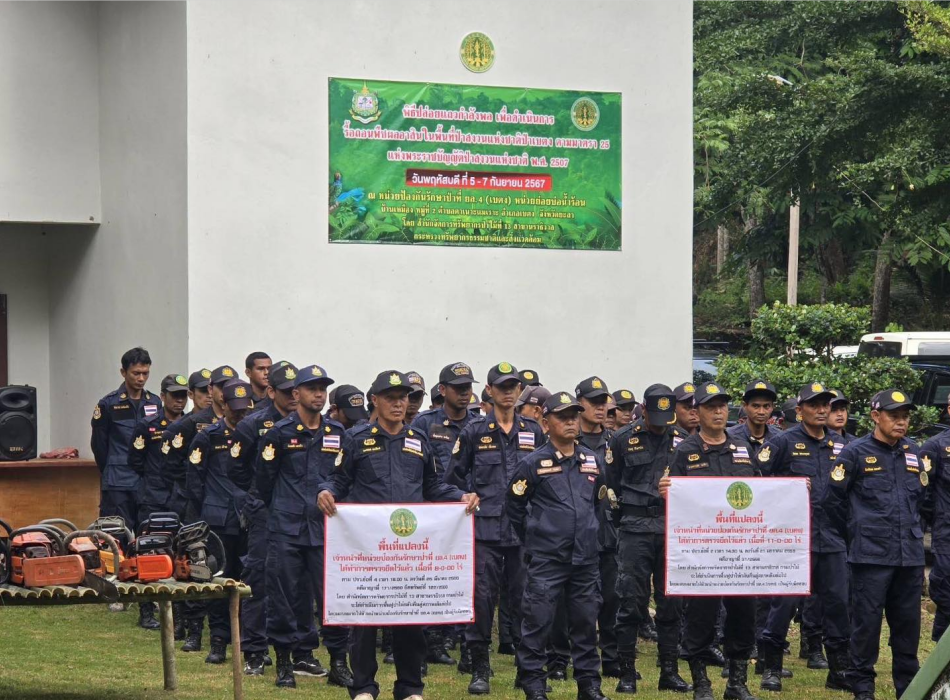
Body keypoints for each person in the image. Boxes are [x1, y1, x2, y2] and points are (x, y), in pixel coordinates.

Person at [317, 370, 478, 700]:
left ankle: (410, 687)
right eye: (390, 398)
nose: (398, 404)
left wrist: (460, 496)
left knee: (410, 617)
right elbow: (338, 480)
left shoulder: (419, 441)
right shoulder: (357, 439)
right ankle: (363, 687)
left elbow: (433, 486)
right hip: (368, 547)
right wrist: (325, 492)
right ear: (375, 400)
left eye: (402, 398)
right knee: (364, 620)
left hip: (408, 549)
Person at [446, 362, 545, 695]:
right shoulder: (474, 431)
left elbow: (546, 475)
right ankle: (479, 668)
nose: (508, 392)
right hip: (485, 530)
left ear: (519, 390)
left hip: (523, 530)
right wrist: (464, 494)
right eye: (501, 387)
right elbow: (452, 478)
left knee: (525, 599)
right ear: (488, 391)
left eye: (513, 386)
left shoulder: (534, 430)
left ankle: (526, 669)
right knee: (482, 599)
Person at [823, 389, 927, 700]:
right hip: (870, 557)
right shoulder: (854, 453)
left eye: (905, 416)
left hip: (909, 556)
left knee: (907, 627)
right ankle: (862, 687)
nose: (901, 421)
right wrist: (856, 536)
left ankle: (908, 688)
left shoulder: (913, 452)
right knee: (866, 626)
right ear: (875, 416)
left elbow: (923, 500)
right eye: (894, 416)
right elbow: (832, 503)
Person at [507, 391, 610, 700]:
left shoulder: (592, 460)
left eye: (574, 416)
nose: (570, 422)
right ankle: (534, 685)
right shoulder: (532, 463)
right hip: (547, 558)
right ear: (546, 422)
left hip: (585, 559)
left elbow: (599, 503)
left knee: (585, 623)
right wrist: (537, 536)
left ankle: (589, 686)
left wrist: (590, 534)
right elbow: (514, 507)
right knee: (537, 622)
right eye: (562, 416)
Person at [659, 382, 758, 700]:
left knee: (743, 615)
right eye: (711, 407)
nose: (718, 412)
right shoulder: (685, 452)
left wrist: (793, 491)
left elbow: (760, 491)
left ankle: (737, 683)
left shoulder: (742, 448)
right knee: (700, 617)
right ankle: (701, 683)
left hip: (740, 550)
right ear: (697, 412)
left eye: (722, 406)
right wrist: (666, 492)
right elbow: (674, 500)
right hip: (702, 551)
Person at [257, 364, 353, 688]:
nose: (319, 395)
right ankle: (285, 663)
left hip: (325, 530)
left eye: (323, 389)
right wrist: (284, 508)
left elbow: (343, 477)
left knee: (332, 597)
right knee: (283, 597)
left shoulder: (337, 433)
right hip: (286, 527)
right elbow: (264, 481)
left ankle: (338, 663)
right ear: (296, 394)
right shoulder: (279, 433)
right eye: (312, 389)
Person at [755, 383, 850, 692]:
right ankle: (771, 667)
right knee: (784, 604)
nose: (822, 410)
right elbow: (756, 480)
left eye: (826, 405)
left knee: (837, 605)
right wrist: (787, 487)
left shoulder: (841, 445)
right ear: (799, 410)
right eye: (814, 405)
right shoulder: (782, 442)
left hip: (832, 538)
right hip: (794, 540)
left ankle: (838, 670)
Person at [609, 384, 690, 694]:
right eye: (655, 417)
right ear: (643, 409)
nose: (660, 424)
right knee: (631, 601)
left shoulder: (682, 440)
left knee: (671, 603)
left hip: (671, 528)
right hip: (635, 528)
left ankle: (669, 671)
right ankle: (627, 673)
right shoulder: (622, 439)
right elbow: (611, 486)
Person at [227, 361, 298, 676]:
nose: (293, 396)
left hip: (297, 515)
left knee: (297, 582)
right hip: (265, 513)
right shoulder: (253, 424)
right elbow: (236, 469)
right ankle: (255, 650)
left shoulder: (306, 425)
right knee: (258, 578)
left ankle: (301, 652)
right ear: (271, 391)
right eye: (286, 391)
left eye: (296, 390)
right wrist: (259, 494)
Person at [411, 362, 480, 669]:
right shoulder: (425, 424)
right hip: (434, 511)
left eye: (468, 387)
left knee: (463, 578)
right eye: (458, 388)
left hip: (467, 511)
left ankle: (462, 640)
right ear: (443, 390)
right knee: (429, 577)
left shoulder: (479, 425)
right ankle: (430, 641)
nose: (465, 393)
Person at [185, 380, 254, 665]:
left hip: (248, 517)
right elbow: (194, 480)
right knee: (217, 580)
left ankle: (248, 643)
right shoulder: (208, 437)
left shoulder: (256, 435)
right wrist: (209, 509)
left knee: (248, 581)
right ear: (223, 405)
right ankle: (218, 641)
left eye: (245, 409)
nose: (240, 414)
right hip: (218, 519)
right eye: (235, 409)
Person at [127, 373, 188, 631]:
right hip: (152, 496)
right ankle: (146, 609)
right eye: (174, 395)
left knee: (180, 551)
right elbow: (135, 460)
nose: (179, 400)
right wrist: (153, 480)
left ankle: (180, 610)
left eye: (183, 395)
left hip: (179, 497)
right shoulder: (147, 425)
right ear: (162, 396)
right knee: (148, 550)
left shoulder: (191, 425)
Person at [575, 376, 620, 679]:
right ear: (580, 404)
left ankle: (612, 658)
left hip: (610, 530)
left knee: (612, 597)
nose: (601, 408)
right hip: (577, 532)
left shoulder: (616, 440)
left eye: (603, 402)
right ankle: (564, 657)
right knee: (577, 601)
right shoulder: (567, 439)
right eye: (594, 402)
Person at [91, 347, 163, 534]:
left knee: (147, 536)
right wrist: (111, 468)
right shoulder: (109, 404)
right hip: (118, 482)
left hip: (147, 482)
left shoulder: (154, 402)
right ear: (123, 372)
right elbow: (99, 446)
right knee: (117, 535)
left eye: (145, 373)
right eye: (136, 373)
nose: (141, 378)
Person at [922, 392, 950, 641]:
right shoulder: (935, 447)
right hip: (946, 530)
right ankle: (941, 643)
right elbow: (924, 494)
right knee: (945, 586)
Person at [727, 381, 780, 457]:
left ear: (773, 407)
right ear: (745, 406)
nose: (761, 412)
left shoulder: (779, 438)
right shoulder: (729, 437)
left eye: (766, 406)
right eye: (756, 406)